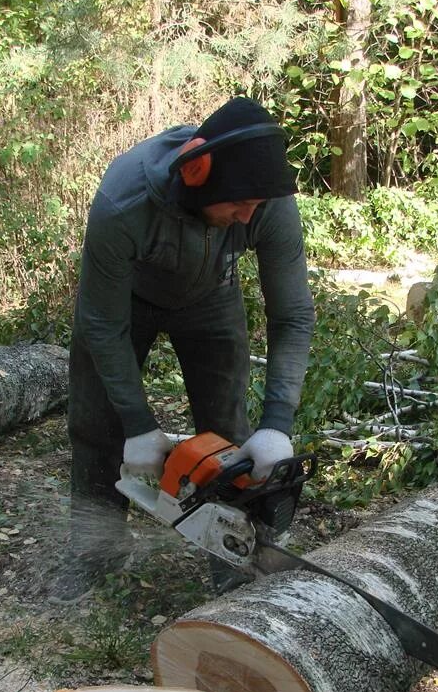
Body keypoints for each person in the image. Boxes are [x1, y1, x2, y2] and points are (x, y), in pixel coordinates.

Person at [52, 96, 315, 602]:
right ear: (198, 174)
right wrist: (137, 423)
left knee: (227, 432)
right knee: (95, 423)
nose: (246, 217)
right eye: (238, 205)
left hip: (212, 294)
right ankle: (94, 553)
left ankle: (232, 560)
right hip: (124, 304)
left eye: (256, 207)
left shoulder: (265, 202)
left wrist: (278, 423)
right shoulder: (124, 200)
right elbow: (101, 325)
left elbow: (293, 314)